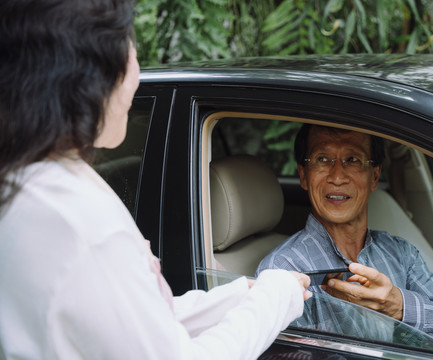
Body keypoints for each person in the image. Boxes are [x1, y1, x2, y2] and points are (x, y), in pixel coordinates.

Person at [0, 1, 311, 359]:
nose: (136, 73)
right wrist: (275, 299)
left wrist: (242, 295)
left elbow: (130, 325)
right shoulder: (85, 223)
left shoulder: (26, 180)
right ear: (88, 70)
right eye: (129, 47)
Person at [256, 124, 433, 355]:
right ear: (304, 175)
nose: (337, 176)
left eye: (353, 159)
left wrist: (400, 306)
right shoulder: (284, 270)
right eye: (322, 159)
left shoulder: (399, 253)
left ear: (374, 176)